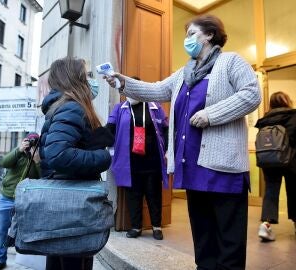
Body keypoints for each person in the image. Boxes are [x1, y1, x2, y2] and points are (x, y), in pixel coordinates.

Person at [105, 14, 261, 270]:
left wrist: (211, 115)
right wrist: (123, 82)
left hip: (224, 169)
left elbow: (252, 94)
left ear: (209, 34)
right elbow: (155, 90)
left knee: (229, 242)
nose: (186, 40)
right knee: (203, 239)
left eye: (191, 34)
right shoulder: (183, 74)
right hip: (192, 167)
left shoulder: (231, 62)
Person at [39, 57, 112, 270]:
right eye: (87, 75)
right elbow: (59, 154)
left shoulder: (61, 106)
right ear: (75, 78)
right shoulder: (72, 107)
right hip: (72, 202)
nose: (91, 80)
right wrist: (104, 157)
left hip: (63, 199)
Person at [106, 77, 169, 240]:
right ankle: (136, 227)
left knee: (154, 194)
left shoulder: (155, 107)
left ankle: (156, 227)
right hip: (129, 162)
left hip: (153, 160)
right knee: (133, 195)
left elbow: (167, 128)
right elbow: (109, 130)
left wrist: (169, 150)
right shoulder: (120, 109)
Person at [0, 133, 41, 270]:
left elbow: (42, 178)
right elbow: (4, 162)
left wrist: (37, 161)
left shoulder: (40, 157)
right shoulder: (18, 153)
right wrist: (18, 150)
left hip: (25, 200)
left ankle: (26, 259)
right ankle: (1, 259)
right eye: (29, 141)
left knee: (25, 232)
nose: (31, 144)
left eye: (34, 142)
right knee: (2, 231)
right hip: (6, 197)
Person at [255, 91, 296, 241]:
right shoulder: (293, 116)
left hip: (269, 160)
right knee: (294, 191)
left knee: (271, 191)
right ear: (287, 101)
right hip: (291, 160)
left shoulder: (265, 119)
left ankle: (266, 225)